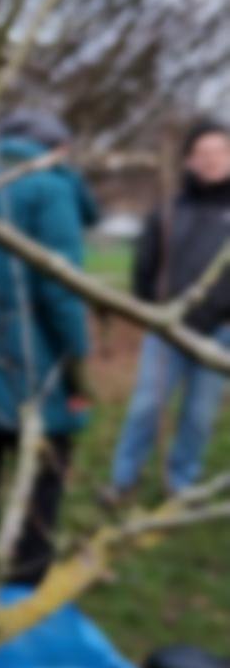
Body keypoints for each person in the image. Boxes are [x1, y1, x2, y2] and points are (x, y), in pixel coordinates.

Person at [0, 109, 97, 584]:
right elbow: (61, 288)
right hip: (31, 368)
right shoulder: (49, 189)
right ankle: (25, 580)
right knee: (41, 475)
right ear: (55, 148)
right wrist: (77, 369)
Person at [105, 118, 230, 500]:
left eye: (219, 152)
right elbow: (145, 263)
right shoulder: (170, 211)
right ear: (189, 161)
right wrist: (150, 310)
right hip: (168, 329)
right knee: (146, 406)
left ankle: (181, 483)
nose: (211, 160)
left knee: (199, 415)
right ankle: (123, 480)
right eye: (202, 153)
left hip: (221, 331)